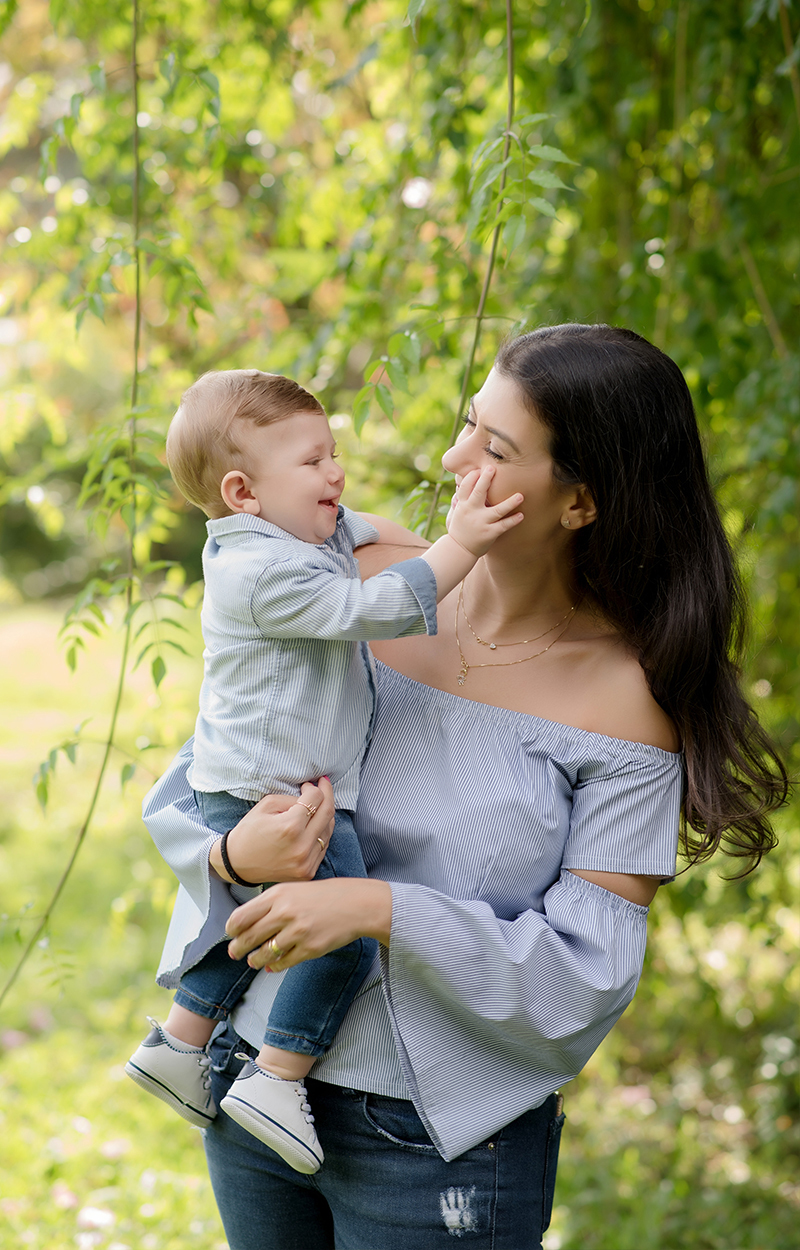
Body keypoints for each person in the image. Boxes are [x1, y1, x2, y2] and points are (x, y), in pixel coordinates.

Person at [141, 326, 786, 1249]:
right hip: (249, 1089)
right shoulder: (359, 581)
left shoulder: (628, 703)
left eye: (494, 448)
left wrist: (381, 908)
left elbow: (584, 976)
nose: (452, 459)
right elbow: (209, 771)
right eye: (468, 425)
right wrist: (232, 853)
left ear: (581, 502)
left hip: (434, 1146)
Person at [125, 368, 524, 1175]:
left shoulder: (288, 535)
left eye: (333, 454)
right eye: (313, 462)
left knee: (252, 920)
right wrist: (462, 546)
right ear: (243, 491)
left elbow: (358, 529)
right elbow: (371, 609)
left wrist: (403, 533)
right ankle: (277, 1079)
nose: (335, 475)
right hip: (277, 791)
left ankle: (180, 1039)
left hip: (262, 777)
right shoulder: (261, 573)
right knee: (336, 941)